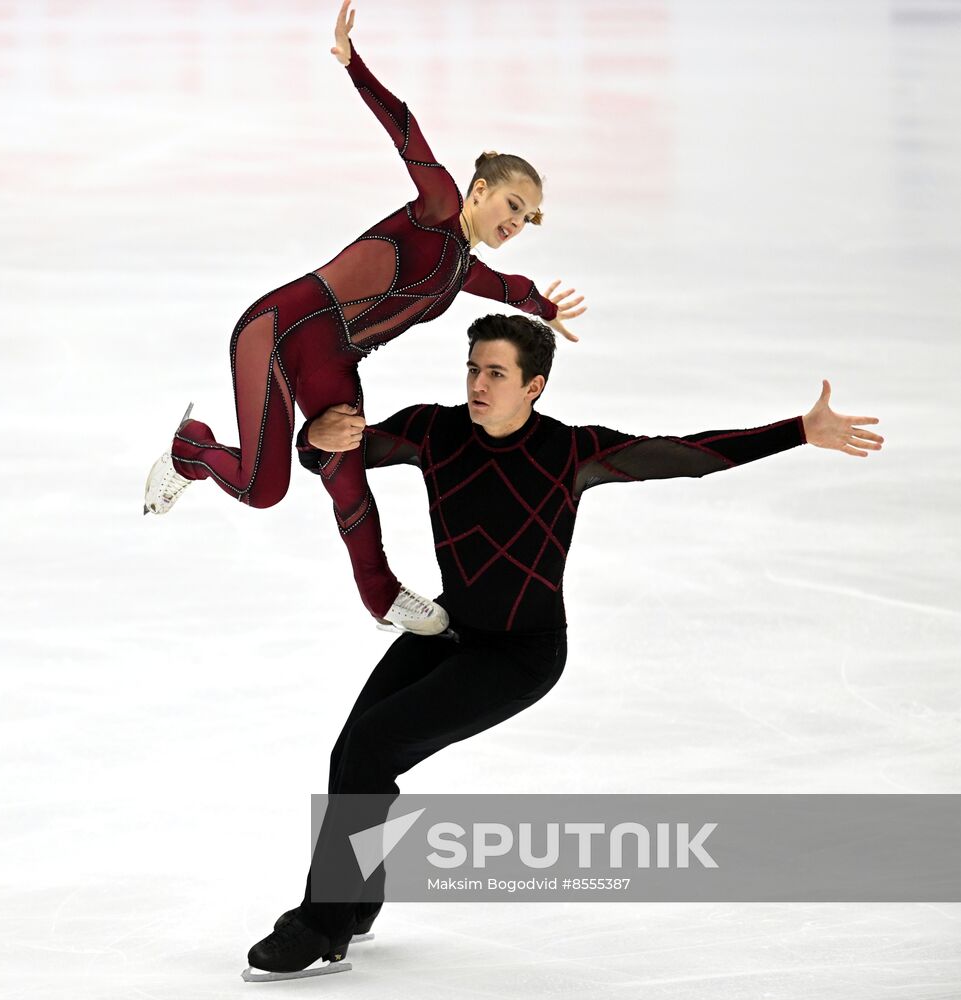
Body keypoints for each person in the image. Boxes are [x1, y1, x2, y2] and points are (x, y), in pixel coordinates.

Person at [242, 312, 884, 979]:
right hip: (450, 626)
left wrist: (799, 431)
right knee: (353, 749)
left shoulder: (568, 452)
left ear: (534, 386)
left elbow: (687, 457)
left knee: (373, 746)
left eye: (495, 373)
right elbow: (336, 454)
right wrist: (312, 438)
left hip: (519, 656)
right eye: (472, 369)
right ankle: (356, 901)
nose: (478, 385)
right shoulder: (432, 431)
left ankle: (321, 924)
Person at [143, 0, 586, 637]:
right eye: (513, 204)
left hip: (333, 358)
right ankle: (191, 449)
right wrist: (356, 65)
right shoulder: (438, 207)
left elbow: (506, 286)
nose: (517, 222)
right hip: (280, 329)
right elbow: (405, 130)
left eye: (529, 218)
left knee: (347, 462)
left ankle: (379, 594)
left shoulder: (462, 268)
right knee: (261, 491)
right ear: (480, 190)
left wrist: (543, 307)